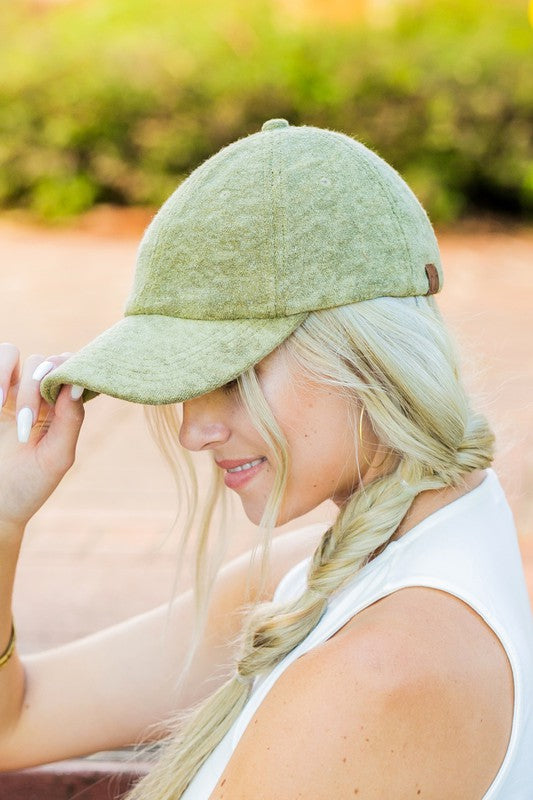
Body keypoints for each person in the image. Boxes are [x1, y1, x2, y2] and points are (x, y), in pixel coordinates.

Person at [0, 118, 531, 799]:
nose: (194, 431)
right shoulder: (324, 573)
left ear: (361, 351)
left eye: (231, 376)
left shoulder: (375, 675)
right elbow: (15, 724)